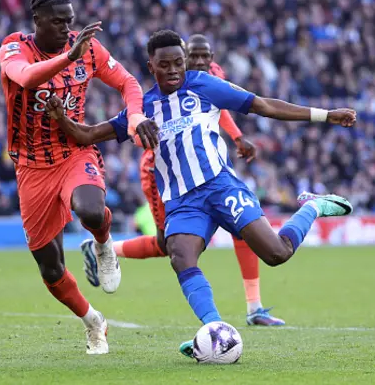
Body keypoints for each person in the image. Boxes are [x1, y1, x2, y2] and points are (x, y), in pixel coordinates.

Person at [48, 29, 357, 358]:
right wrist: (59, 116)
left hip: (221, 187)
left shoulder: (204, 85)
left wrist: (326, 115)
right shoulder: (143, 107)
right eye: (164, 64)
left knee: (277, 254)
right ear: (151, 66)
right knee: (179, 255)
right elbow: (88, 135)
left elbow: (264, 105)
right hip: (182, 202)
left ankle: (312, 206)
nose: (173, 70)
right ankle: (215, 331)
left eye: (178, 62)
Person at [79, 34, 284, 326]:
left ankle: (254, 307)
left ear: (211, 58)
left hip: (210, 168)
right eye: (195, 57)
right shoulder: (159, 89)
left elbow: (219, 106)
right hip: (162, 171)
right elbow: (132, 124)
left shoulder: (210, 77)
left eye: (205, 57)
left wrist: (237, 136)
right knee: (168, 246)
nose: (199, 62)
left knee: (244, 227)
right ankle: (106, 248)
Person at [0, 0, 158, 355]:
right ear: (37, 20)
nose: (67, 28)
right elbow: (24, 77)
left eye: (70, 21)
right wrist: (69, 56)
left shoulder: (87, 48)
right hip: (31, 165)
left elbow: (128, 82)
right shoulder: (14, 46)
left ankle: (103, 246)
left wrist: (135, 115)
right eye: (58, 22)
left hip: (73, 150)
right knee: (51, 270)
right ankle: (93, 322)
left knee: (88, 208)